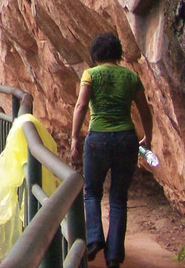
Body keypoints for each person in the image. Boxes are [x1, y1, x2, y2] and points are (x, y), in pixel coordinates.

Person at [69, 32, 154, 268]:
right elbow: (145, 111)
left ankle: (94, 238)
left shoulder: (90, 74)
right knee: (118, 198)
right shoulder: (131, 77)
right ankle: (114, 256)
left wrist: (75, 136)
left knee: (92, 192)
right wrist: (148, 138)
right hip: (127, 140)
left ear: (95, 54)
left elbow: (81, 105)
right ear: (117, 53)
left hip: (97, 139)